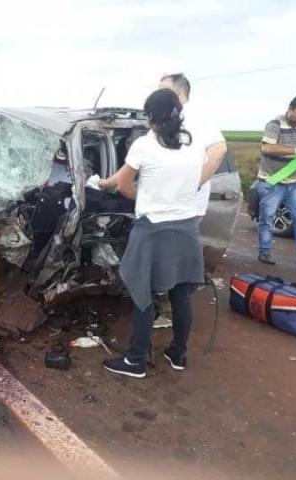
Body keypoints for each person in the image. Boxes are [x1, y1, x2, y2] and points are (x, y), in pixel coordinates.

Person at [99, 89, 225, 378]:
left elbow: (123, 186)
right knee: (181, 296)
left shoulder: (144, 145)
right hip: (186, 230)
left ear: (151, 117)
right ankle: (178, 353)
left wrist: (144, 197)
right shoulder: (193, 147)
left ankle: (135, 361)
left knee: (143, 293)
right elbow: (196, 178)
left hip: (153, 230)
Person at [255, 95, 296, 265]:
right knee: (267, 218)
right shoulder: (275, 125)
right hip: (272, 183)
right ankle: (265, 252)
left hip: (294, 183)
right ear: (290, 108)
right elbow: (267, 147)